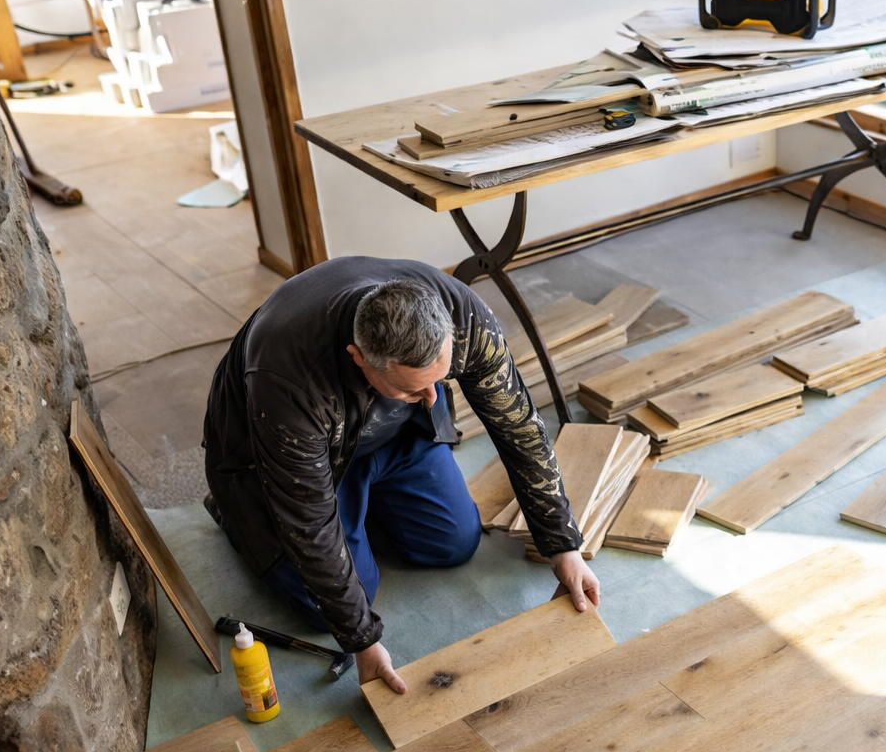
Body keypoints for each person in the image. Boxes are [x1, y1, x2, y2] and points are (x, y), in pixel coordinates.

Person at [202, 256, 598, 694]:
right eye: (412, 386)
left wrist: (564, 546)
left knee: (454, 542)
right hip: (290, 461)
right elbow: (309, 523)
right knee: (330, 608)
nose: (431, 396)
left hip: (392, 434)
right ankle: (236, 512)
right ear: (359, 358)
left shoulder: (461, 313)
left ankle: (363, 502)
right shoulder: (290, 383)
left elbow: (519, 428)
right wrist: (363, 641)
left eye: (440, 379)